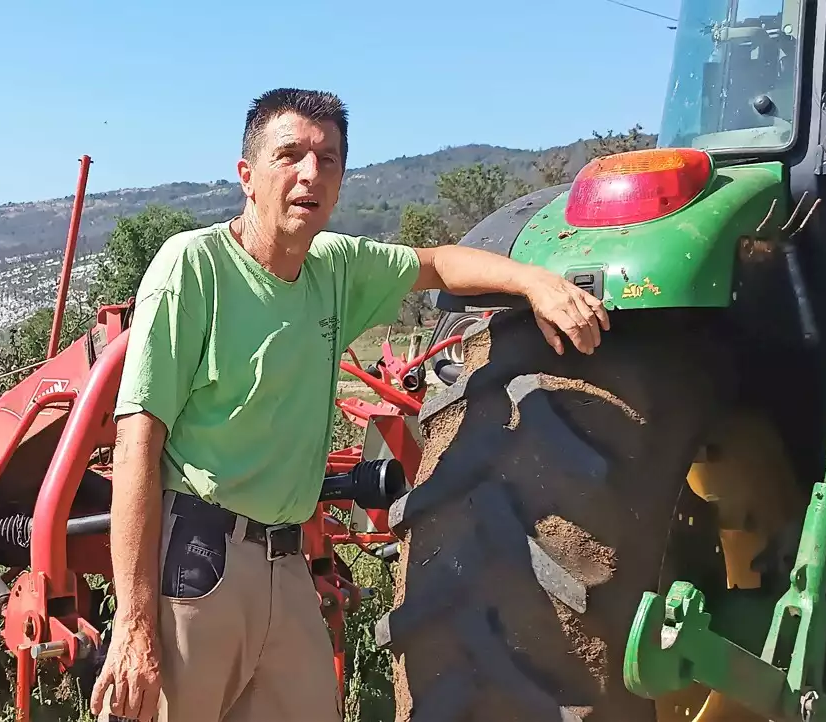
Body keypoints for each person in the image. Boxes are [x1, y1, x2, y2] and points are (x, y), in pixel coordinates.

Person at [89, 87, 609, 722]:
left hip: (287, 567)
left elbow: (440, 264)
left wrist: (537, 281)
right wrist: (135, 627)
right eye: (290, 155)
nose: (311, 173)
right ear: (247, 176)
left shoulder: (333, 267)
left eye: (328, 159)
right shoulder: (193, 267)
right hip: (199, 565)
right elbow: (138, 440)